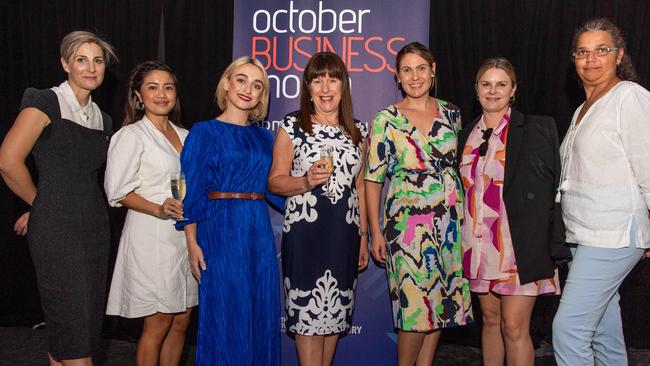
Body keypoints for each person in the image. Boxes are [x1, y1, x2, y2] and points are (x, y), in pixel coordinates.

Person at [0, 31, 117, 365]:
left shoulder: (103, 119)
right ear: (65, 63)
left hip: (95, 228)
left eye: (98, 60)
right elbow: (8, 161)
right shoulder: (45, 101)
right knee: (76, 338)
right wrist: (42, 205)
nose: (91, 68)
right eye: (82, 59)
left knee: (74, 333)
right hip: (57, 231)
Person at [365, 41, 472, 365]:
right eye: (407, 70)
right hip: (406, 226)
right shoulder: (386, 119)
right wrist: (376, 232)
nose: (415, 77)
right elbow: (373, 179)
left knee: (439, 304)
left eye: (421, 69)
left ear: (433, 70)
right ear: (397, 76)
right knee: (414, 309)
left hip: (449, 223)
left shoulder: (451, 112)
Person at [457, 57, 570, 366]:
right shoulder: (465, 135)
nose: (493, 91)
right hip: (478, 247)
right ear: (476, 89)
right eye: (486, 84)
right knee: (491, 322)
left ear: (513, 90)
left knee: (514, 325)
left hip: (517, 248)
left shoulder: (535, 129)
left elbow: (551, 190)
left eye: (501, 84)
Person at [552, 18, 650, 366]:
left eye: (602, 50)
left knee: (569, 330)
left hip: (614, 233)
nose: (591, 58)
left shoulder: (630, 97)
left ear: (619, 55)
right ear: (574, 58)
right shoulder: (582, 109)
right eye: (583, 51)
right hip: (585, 234)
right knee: (603, 331)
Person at [177, 56, 281, 365]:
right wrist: (192, 242)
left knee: (260, 307)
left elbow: (275, 188)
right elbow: (190, 188)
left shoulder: (265, 137)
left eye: (257, 85)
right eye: (241, 80)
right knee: (225, 310)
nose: (248, 89)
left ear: (262, 96)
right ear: (226, 84)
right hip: (220, 228)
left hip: (258, 230)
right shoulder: (203, 131)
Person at [268, 51, 369, 366]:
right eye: (317, 79)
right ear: (308, 87)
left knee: (333, 320)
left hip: (344, 237)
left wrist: (363, 236)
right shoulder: (292, 126)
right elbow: (274, 182)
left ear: (343, 85)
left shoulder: (359, 131)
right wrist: (305, 181)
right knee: (309, 321)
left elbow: (361, 186)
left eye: (333, 78)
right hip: (306, 234)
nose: (325, 87)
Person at [104, 61, 197, 366]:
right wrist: (157, 208)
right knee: (157, 323)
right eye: (153, 87)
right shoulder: (131, 135)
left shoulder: (187, 136)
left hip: (184, 238)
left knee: (181, 319)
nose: (161, 94)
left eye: (168, 87)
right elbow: (117, 190)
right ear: (138, 95)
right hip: (150, 236)